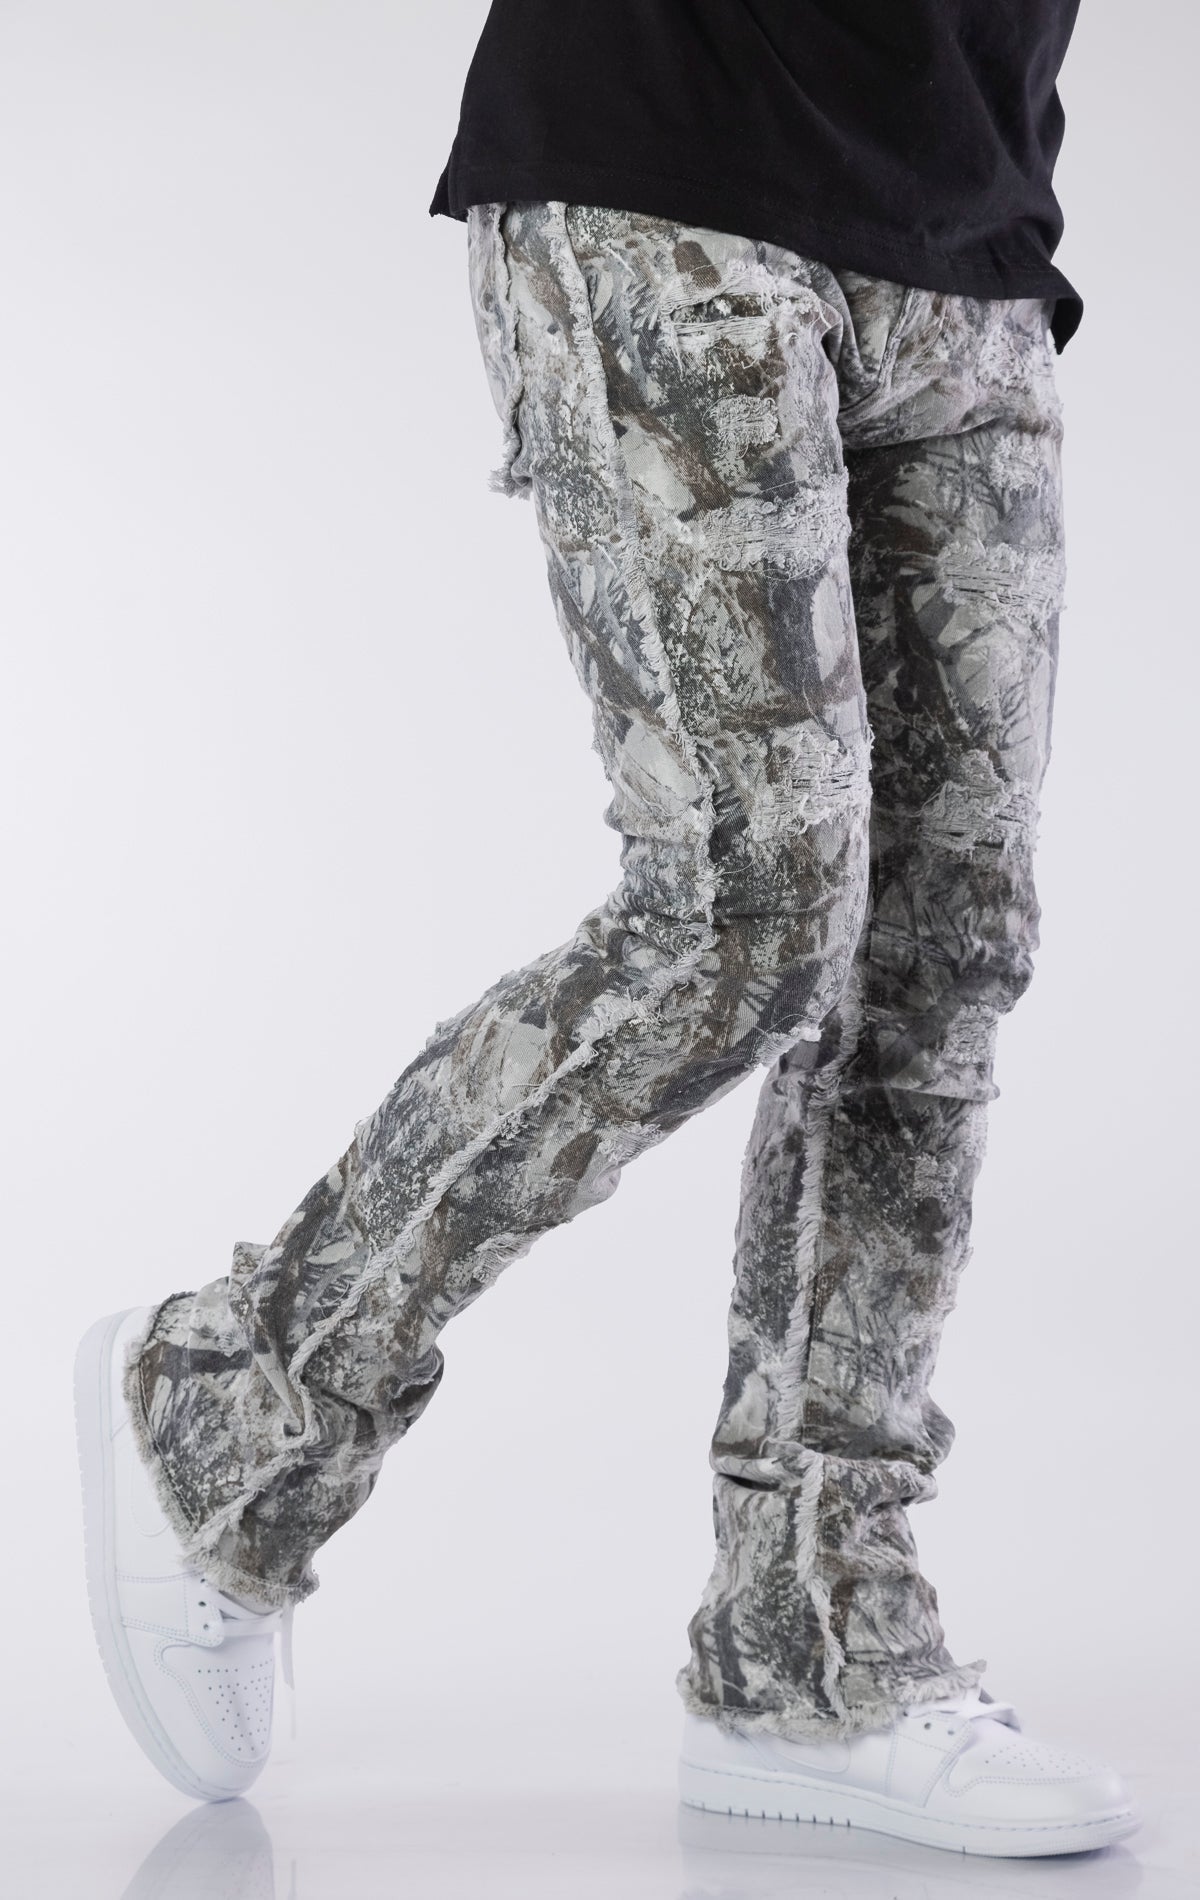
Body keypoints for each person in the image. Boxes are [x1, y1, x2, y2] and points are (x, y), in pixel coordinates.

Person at [74, 0, 1140, 1858]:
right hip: (673, 165)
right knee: (746, 910)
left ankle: (807, 1647)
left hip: (970, 219)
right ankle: (245, 1394)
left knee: (939, 958)